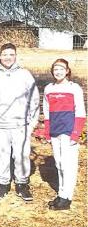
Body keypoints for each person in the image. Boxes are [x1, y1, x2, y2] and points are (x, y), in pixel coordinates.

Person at [0, 43, 39, 201]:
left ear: (15, 56)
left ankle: (22, 184)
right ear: (0, 55)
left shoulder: (25, 74)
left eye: (11, 54)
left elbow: (34, 101)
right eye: (5, 54)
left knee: (22, 156)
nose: (8, 57)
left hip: (20, 126)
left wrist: (31, 124)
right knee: (0, 156)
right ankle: (3, 185)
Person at [43, 59, 85, 210]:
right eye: (55, 69)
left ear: (67, 71)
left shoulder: (74, 88)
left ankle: (67, 198)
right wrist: (47, 132)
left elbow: (80, 112)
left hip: (69, 131)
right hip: (55, 131)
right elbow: (46, 112)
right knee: (59, 163)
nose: (58, 72)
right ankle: (61, 194)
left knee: (68, 165)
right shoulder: (48, 89)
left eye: (61, 69)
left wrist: (76, 134)